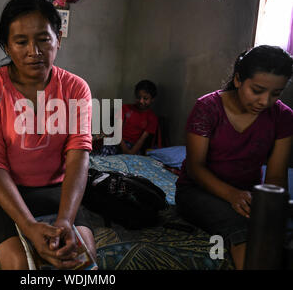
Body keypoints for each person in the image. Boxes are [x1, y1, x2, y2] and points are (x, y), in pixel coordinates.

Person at [0, 0, 96, 270]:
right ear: (6, 47)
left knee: (83, 258)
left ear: (58, 40)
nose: (33, 52)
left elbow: (78, 156)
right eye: (21, 42)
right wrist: (28, 226)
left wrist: (65, 220)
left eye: (43, 40)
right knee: (19, 263)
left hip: (54, 189)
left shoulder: (76, 88)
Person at [175, 45, 293, 270]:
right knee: (242, 229)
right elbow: (195, 168)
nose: (265, 101)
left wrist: (270, 209)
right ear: (238, 79)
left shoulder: (284, 117)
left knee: (275, 230)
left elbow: (276, 178)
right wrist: (232, 195)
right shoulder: (207, 108)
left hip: (248, 195)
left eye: (276, 93)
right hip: (197, 191)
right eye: (257, 90)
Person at [96, 79, 158, 156]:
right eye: (138, 97)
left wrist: (130, 153)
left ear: (152, 99)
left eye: (145, 98)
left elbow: (142, 140)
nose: (141, 101)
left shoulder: (152, 118)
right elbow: (117, 132)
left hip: (133, 146)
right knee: (105, 149)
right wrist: (125, 150)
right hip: (117, 140)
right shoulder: (125, 108)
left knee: (134, 160)